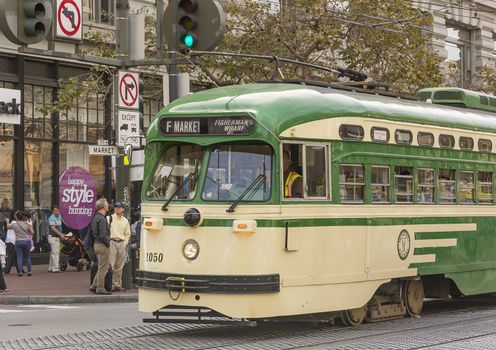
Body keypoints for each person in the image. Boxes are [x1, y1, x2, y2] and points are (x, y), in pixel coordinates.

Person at [89, 198, 112, 295]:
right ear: (103, 206)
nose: (108, 205)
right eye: (107, 204)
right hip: (102, 245)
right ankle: (100, 288)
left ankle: (94, 285)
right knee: (103, 267)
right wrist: (108, 243)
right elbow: (103, 235)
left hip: (96, 244)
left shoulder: (95, 217)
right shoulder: (102, 219)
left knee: (100, 266)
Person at [108, 202, 130, 292]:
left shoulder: (125, 220)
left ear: (123, 209)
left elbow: (127, 234)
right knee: (111, 264)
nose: (117, 209)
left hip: (121, 243)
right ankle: (110, 284)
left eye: (119, 207)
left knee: (119, 266)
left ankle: (117, 284)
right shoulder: (109, 218)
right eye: (116, 207)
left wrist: (125, 243)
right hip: (112, 242)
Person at [6, 211, 33, 277]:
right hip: (26, 241)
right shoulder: (26, 224)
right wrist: (29, 225)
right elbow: (32, 232)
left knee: (19, 257)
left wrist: (7, 221)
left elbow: (8, 227)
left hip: (18, 242)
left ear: (17, 217)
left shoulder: (14, 224)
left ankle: (20, 272)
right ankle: (29, 271)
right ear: (23, 217)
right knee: (27, 257)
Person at [47, 205, 67, 273]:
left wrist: (61, 233)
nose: (57, 212)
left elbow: (58, 227)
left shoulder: (59, 216)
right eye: (55, 210)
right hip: (53, 237)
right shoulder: (51, 218)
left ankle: (50, 267)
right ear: (52, 211)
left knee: (53, 252)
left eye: (58, 210)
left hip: (56, 237)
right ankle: (55, 268)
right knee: (56, 253)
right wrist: (61, 234)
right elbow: (53, 228)